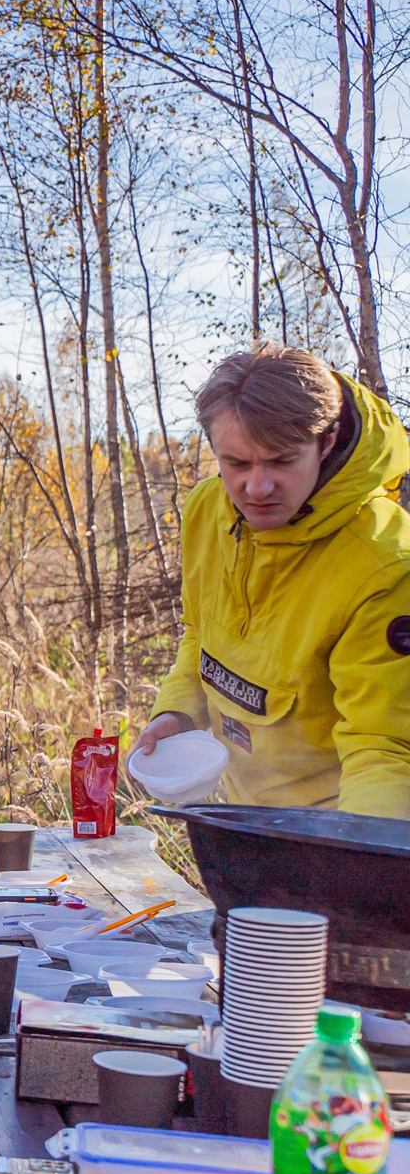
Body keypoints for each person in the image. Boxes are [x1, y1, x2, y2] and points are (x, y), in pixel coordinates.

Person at [135, 343, 410, 818]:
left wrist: (361, 868)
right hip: (247, 818)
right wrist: (177, 713)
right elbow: (203, 634)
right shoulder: (206, 510)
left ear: (326, 442)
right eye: (236, 464)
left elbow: (383, 749)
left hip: (342, 824)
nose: (256, 488)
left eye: (281, 461)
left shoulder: (385, 565)